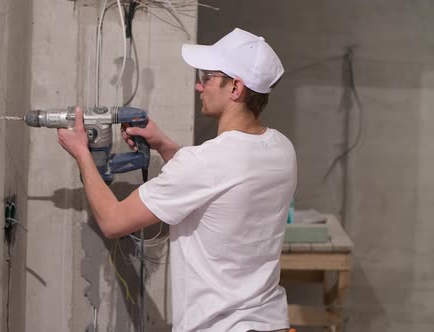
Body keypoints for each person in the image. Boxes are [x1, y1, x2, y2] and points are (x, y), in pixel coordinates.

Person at [57, 28, 297, 332]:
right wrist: (167, 147)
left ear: (235, 87)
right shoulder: (281, 149)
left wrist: (82, 154)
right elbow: (226, 184)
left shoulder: (205, 163)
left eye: (209, 77)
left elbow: (113, 221)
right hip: (272, 323)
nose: (199, 86)